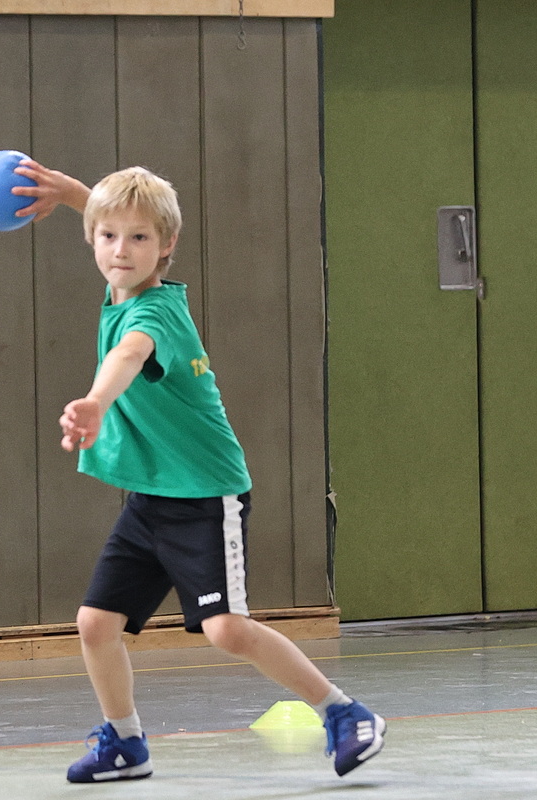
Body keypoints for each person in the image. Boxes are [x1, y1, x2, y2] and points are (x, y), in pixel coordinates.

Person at [52, 166, 386, 782]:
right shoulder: (120, 282)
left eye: (139, 238)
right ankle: (125, 742)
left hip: (205, 495)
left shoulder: (156, 313)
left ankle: (345, 713)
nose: (121, 250)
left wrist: (96, 402)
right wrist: (75, 195)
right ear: (92, 237)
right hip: (151, 497)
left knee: (226, 628)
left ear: (167, 246)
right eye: (108, 236)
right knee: (95, 623)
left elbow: (129, 354)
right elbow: (109, 219)